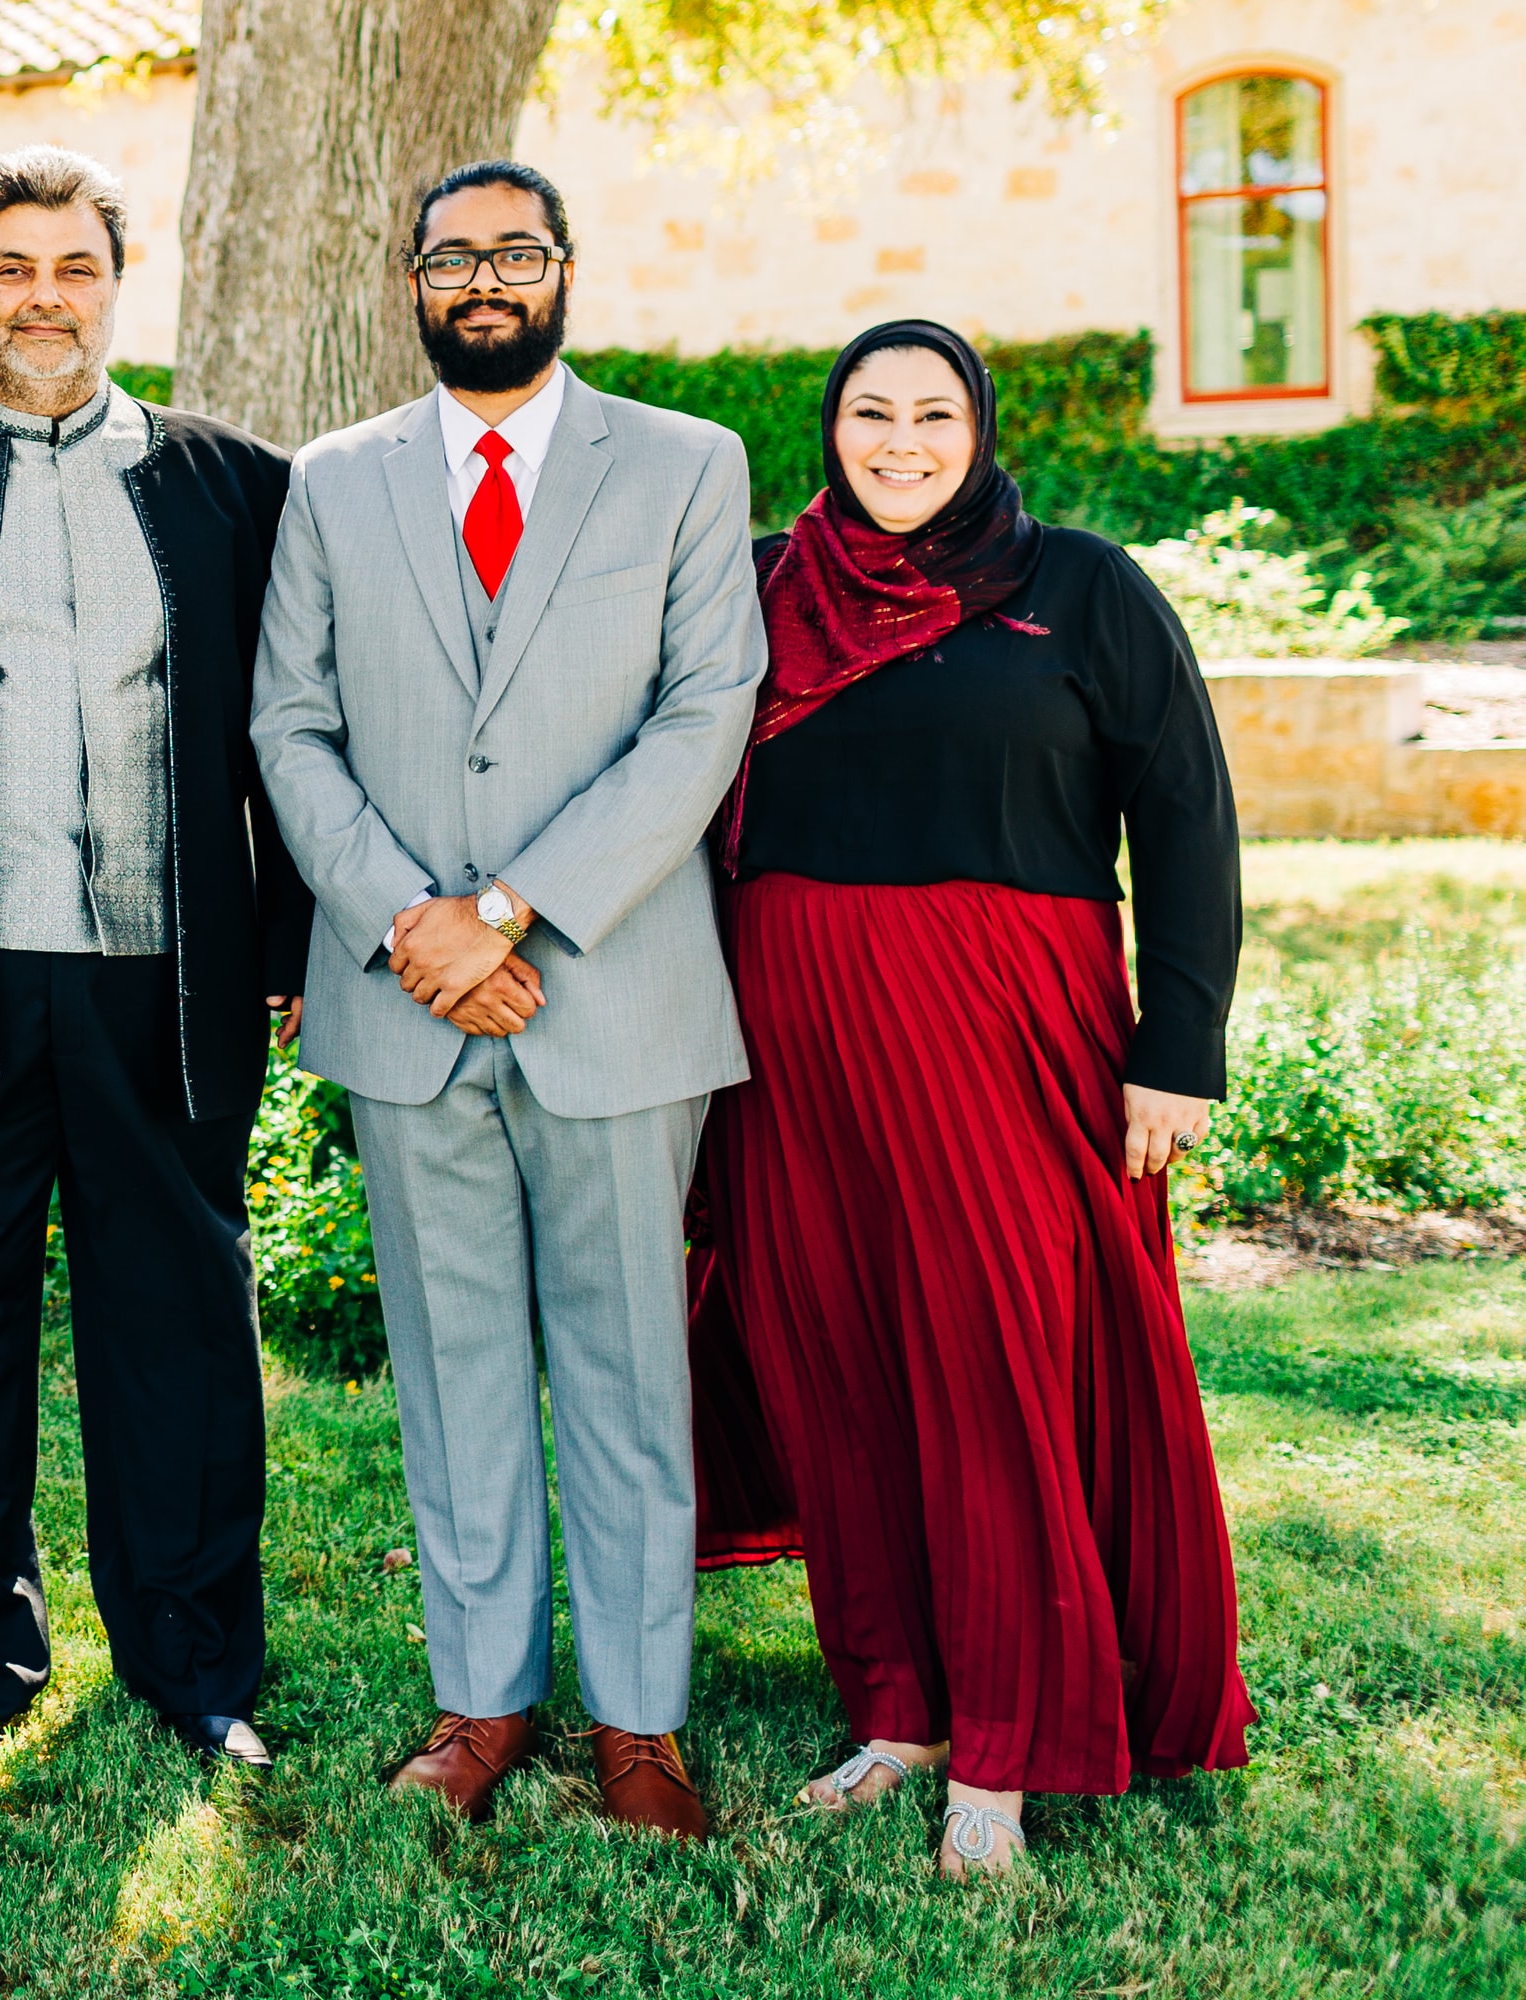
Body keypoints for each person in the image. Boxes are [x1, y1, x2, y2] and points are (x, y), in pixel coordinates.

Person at [248, 158, 765, 1842]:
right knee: (453, 1365)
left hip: (603, 990)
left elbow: (706, 715)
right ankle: (482, 1700)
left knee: (629, 1371)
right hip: (409, 999)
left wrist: (507, 910)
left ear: (564, 268)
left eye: (516, 251)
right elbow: (291, 727)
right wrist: (413, 922)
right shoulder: (335, 483)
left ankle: (641, 1723)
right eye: (453, 256)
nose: (486, 278)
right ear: (409, 280)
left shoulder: (686, 466)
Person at [696, 320, 1250, 1879]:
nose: (900, 441)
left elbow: (1187, 817)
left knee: (998, 1362)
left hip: (1011, 1032)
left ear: (979, 428)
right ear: (829, 429)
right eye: (869, 413)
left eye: (933, 414)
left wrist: (1179, 1045)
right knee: (840, 1370)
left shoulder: (1077, 584)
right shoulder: (761, 585)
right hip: (792, 1041)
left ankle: (1007, 1744)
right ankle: (902, 1714)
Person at [0, 149, 313, 1772]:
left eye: (76, 267)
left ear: (120, 282)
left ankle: (193, 1662)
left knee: (174, 1316)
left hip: (165, 976)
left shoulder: (234, 484)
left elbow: (294, 735)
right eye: (11, 268)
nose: (44, 296)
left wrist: (296, 941)